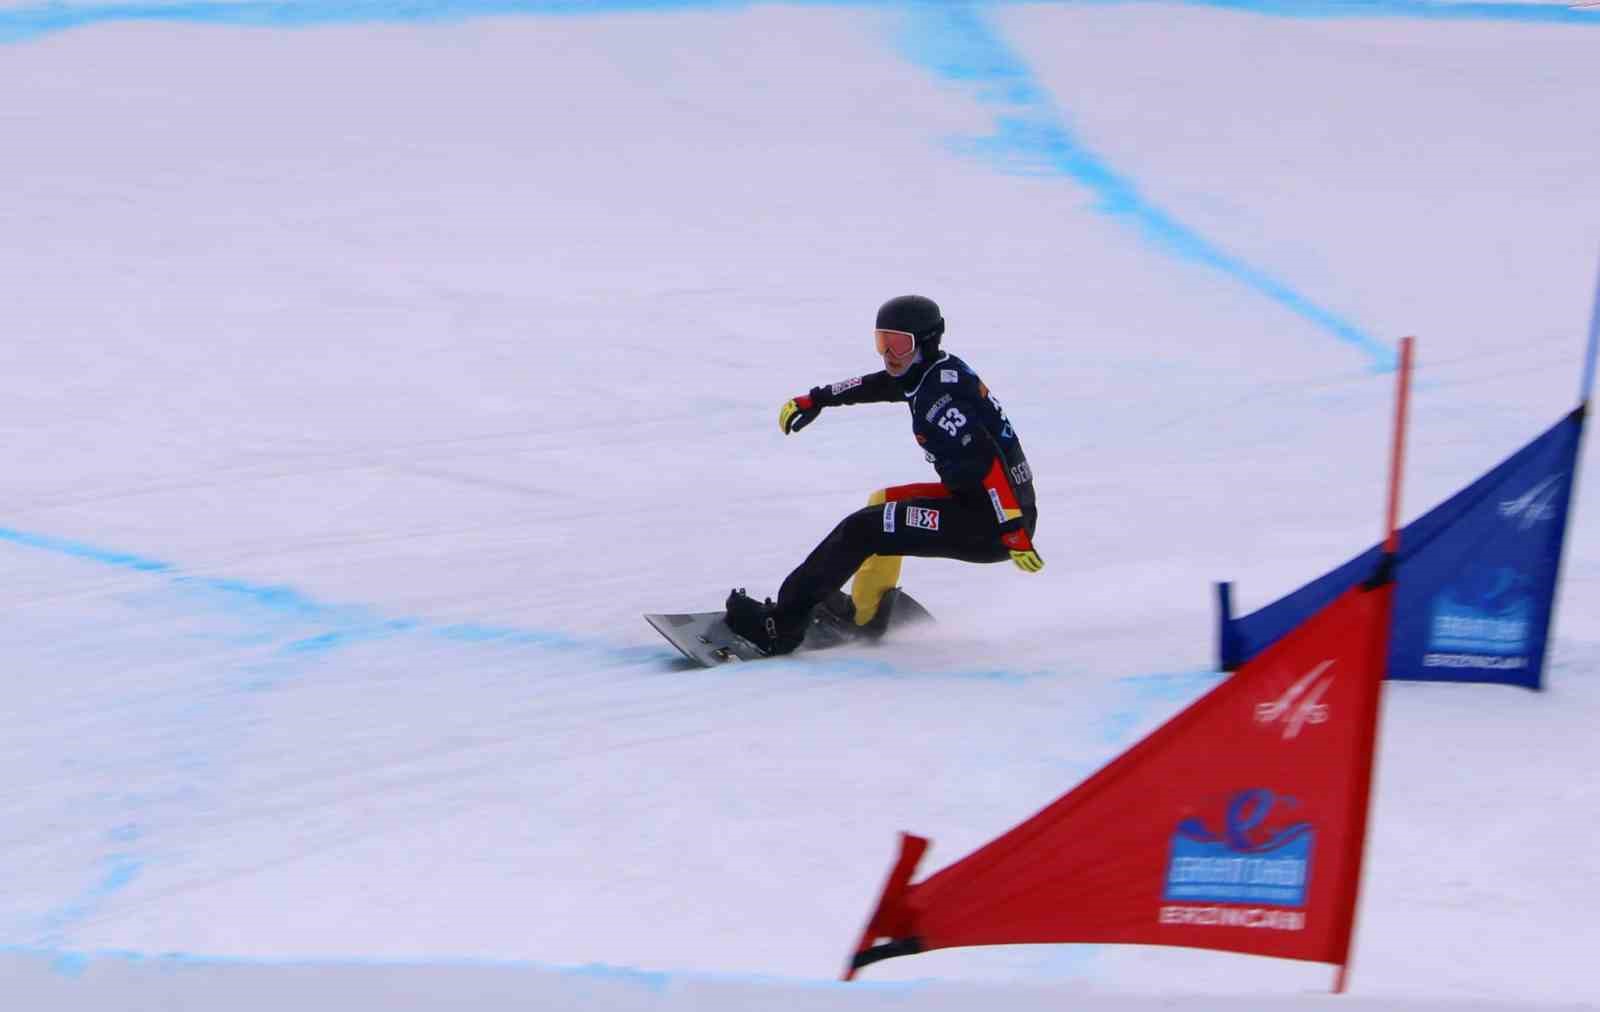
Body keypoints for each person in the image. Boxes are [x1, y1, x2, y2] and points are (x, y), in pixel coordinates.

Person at [724, 295, 1042, 656]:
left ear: (926, 342)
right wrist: (816, 399)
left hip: (991, 524)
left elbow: (987, 461)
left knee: (861, 529)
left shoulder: (943, 400)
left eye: (899, 344)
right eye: (882, 342)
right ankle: (866, 616)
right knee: (885, 502)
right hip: (979, 502)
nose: (889, 354)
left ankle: (779, 629)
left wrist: (1012, 528)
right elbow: (880, 384)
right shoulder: (934, 371)